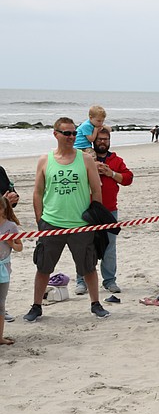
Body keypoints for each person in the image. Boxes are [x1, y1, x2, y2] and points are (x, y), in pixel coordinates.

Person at [22, 117, 109, 322]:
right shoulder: (45, 160)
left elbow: (96, 190)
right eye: (67, 133)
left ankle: (96, 303)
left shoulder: (85, 159)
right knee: (43, 267)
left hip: (81, 225)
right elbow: (37, 192)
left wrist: (94, 219)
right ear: (56, 134)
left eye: (74, 133)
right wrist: (40, 221)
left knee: (88, 266)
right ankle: (36, 306)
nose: (71, 137)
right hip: (52, 223)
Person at [74, 127, 134, 294]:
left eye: (105, 139)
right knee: (85, 246)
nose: (102, 142)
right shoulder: (83, 158)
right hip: (86, 210)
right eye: (99, 139)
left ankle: (109, 280)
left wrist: (111, 172)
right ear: (93, 140)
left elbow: (128, 179)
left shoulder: (116, 160)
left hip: (108, 211)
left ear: (109, 141)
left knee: (109, 247)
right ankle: (81, 281)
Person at [0, 195, 22, 344]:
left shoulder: (10, 226)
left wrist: (11, 243)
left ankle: (0, 337)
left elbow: (20, 247)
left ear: (2, 209)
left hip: (3, 268)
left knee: (1, 304)